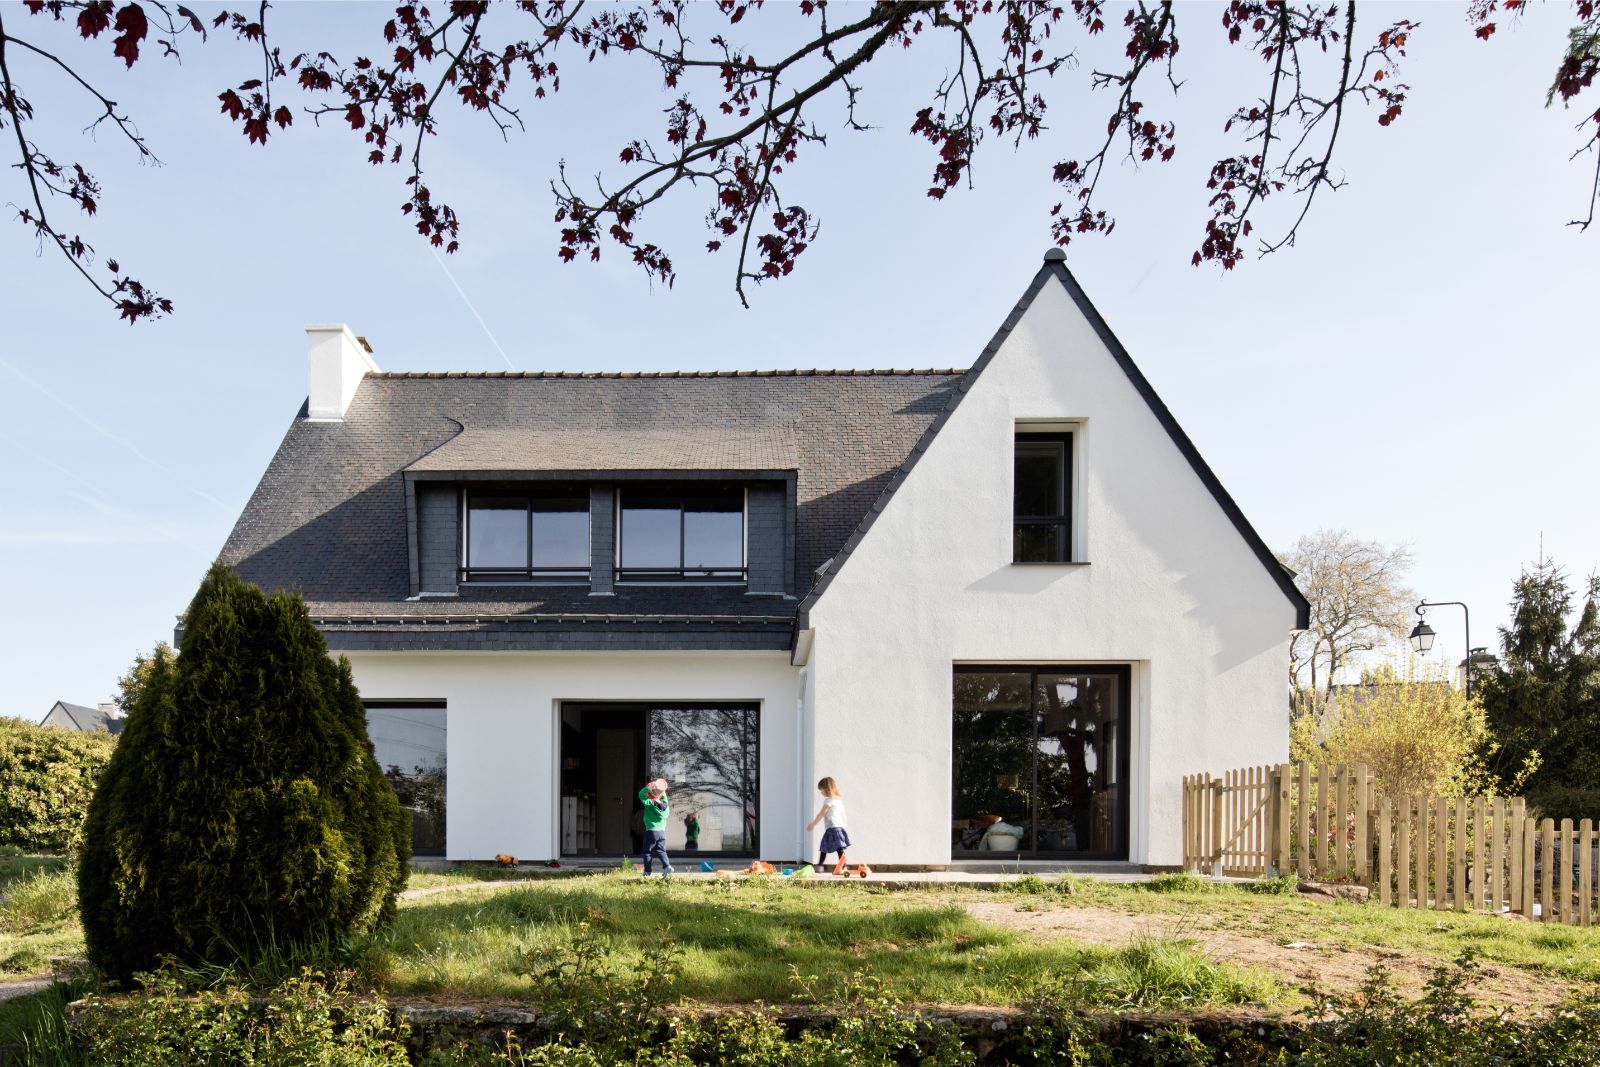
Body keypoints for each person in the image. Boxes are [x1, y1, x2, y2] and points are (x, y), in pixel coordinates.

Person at [805, 776, 852, 874]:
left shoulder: (828, 801)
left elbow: (822, 813)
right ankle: (843, 866)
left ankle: (821, 865)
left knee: (824, 847)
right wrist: (843, 827)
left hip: (832, 828)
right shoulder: (838, 801)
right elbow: (844, 815)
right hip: (839, 828)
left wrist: (813, 824)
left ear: (826, 788)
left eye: (821, 789)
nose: (820, 792)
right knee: (839, 848)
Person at [638, 776, 672, 876]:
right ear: (661, 794)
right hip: (661, 833)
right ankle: (667, 867)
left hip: (651, 832)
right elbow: (664, 796)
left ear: (650, 795)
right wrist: (662, 789)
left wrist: (648, 788)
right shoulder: (665, 805)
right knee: (661, 851)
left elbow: (641, 795)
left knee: (647, 852)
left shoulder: (649, 803)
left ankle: (647, 871)